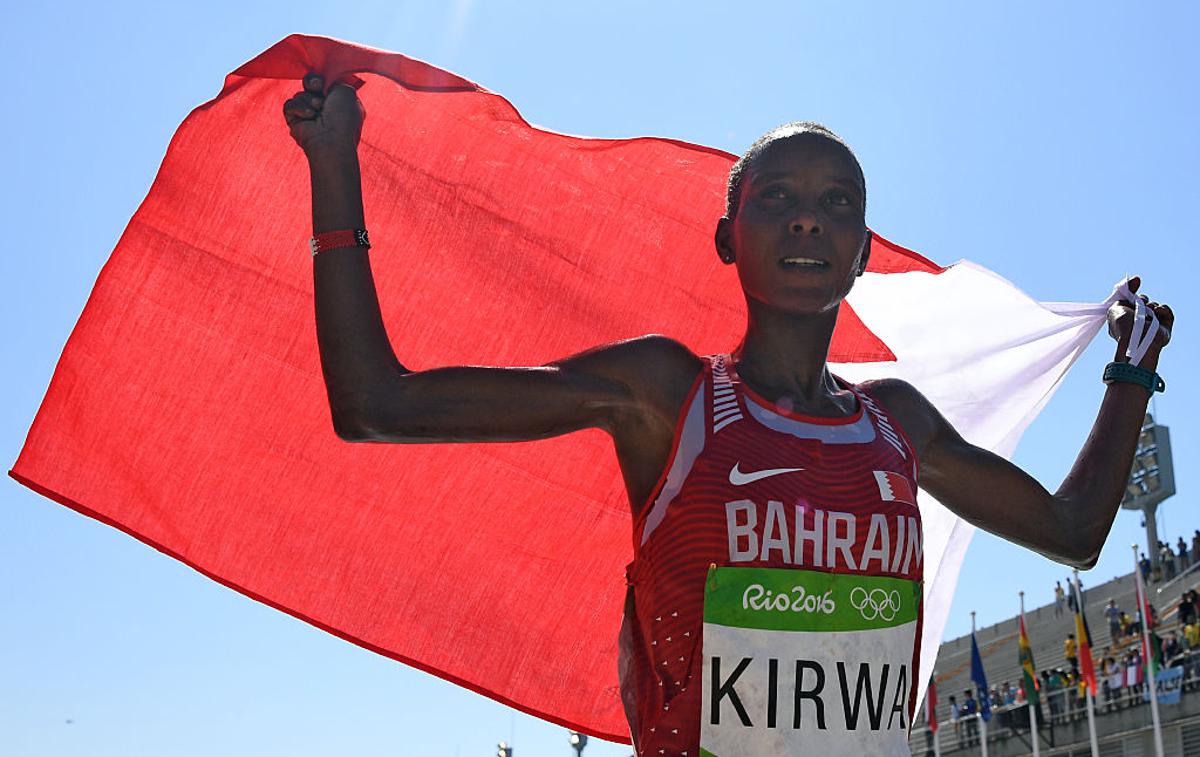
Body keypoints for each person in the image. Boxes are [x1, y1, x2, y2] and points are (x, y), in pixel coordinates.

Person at [283, 73, 1175, 756]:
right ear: (727, 235)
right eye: (776, 199)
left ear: (863, 253)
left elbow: (1071, 531)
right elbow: (378, 403)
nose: (805, 223)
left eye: (836, 206)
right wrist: (333, 172)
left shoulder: (897, 423)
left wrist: (1130, 374)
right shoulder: (665, 392)